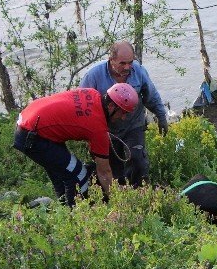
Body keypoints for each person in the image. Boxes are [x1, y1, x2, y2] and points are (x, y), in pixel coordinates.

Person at [13, 83, 138, 206]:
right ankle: (76, 216)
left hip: (30, 121)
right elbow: (104, 172)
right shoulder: (97, 128)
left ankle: (64, 210)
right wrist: (118, 202)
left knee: (62, 175)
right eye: (123, 112)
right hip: (33, 136)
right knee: (78, 174)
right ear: (111, 106)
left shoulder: (92, 93)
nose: (123, 118)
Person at [80, 41, 167, 187]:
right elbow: (82, 106)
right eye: (122, 63)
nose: (127, 67)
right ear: (111, 59)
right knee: (114, 169)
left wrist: (161, 116)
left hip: (134, 125)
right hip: (107, 130)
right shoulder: (93, 76)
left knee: (137, 160)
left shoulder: (138, 71)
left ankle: (140, 193)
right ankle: (118, 198)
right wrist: (87, 134)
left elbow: (151, 95)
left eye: (130, 62)